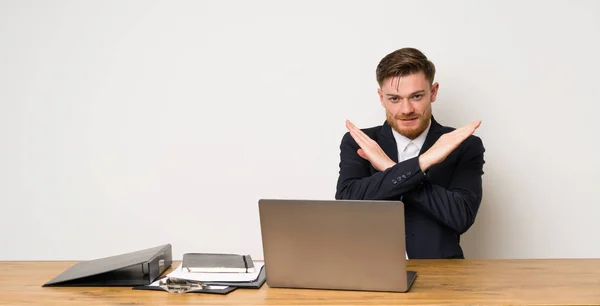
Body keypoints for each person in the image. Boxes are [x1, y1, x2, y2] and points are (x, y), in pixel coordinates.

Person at [335, 47, 485, 259]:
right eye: (395, 99)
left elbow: (461, 217)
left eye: (416, 96)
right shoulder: (361, 142)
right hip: (370, 272)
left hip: (441, 276)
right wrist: (422, 163)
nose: (406, 109)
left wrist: (389, 168)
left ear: (433, 92)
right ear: (381, 97)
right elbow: (347, 207)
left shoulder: (463, 145)